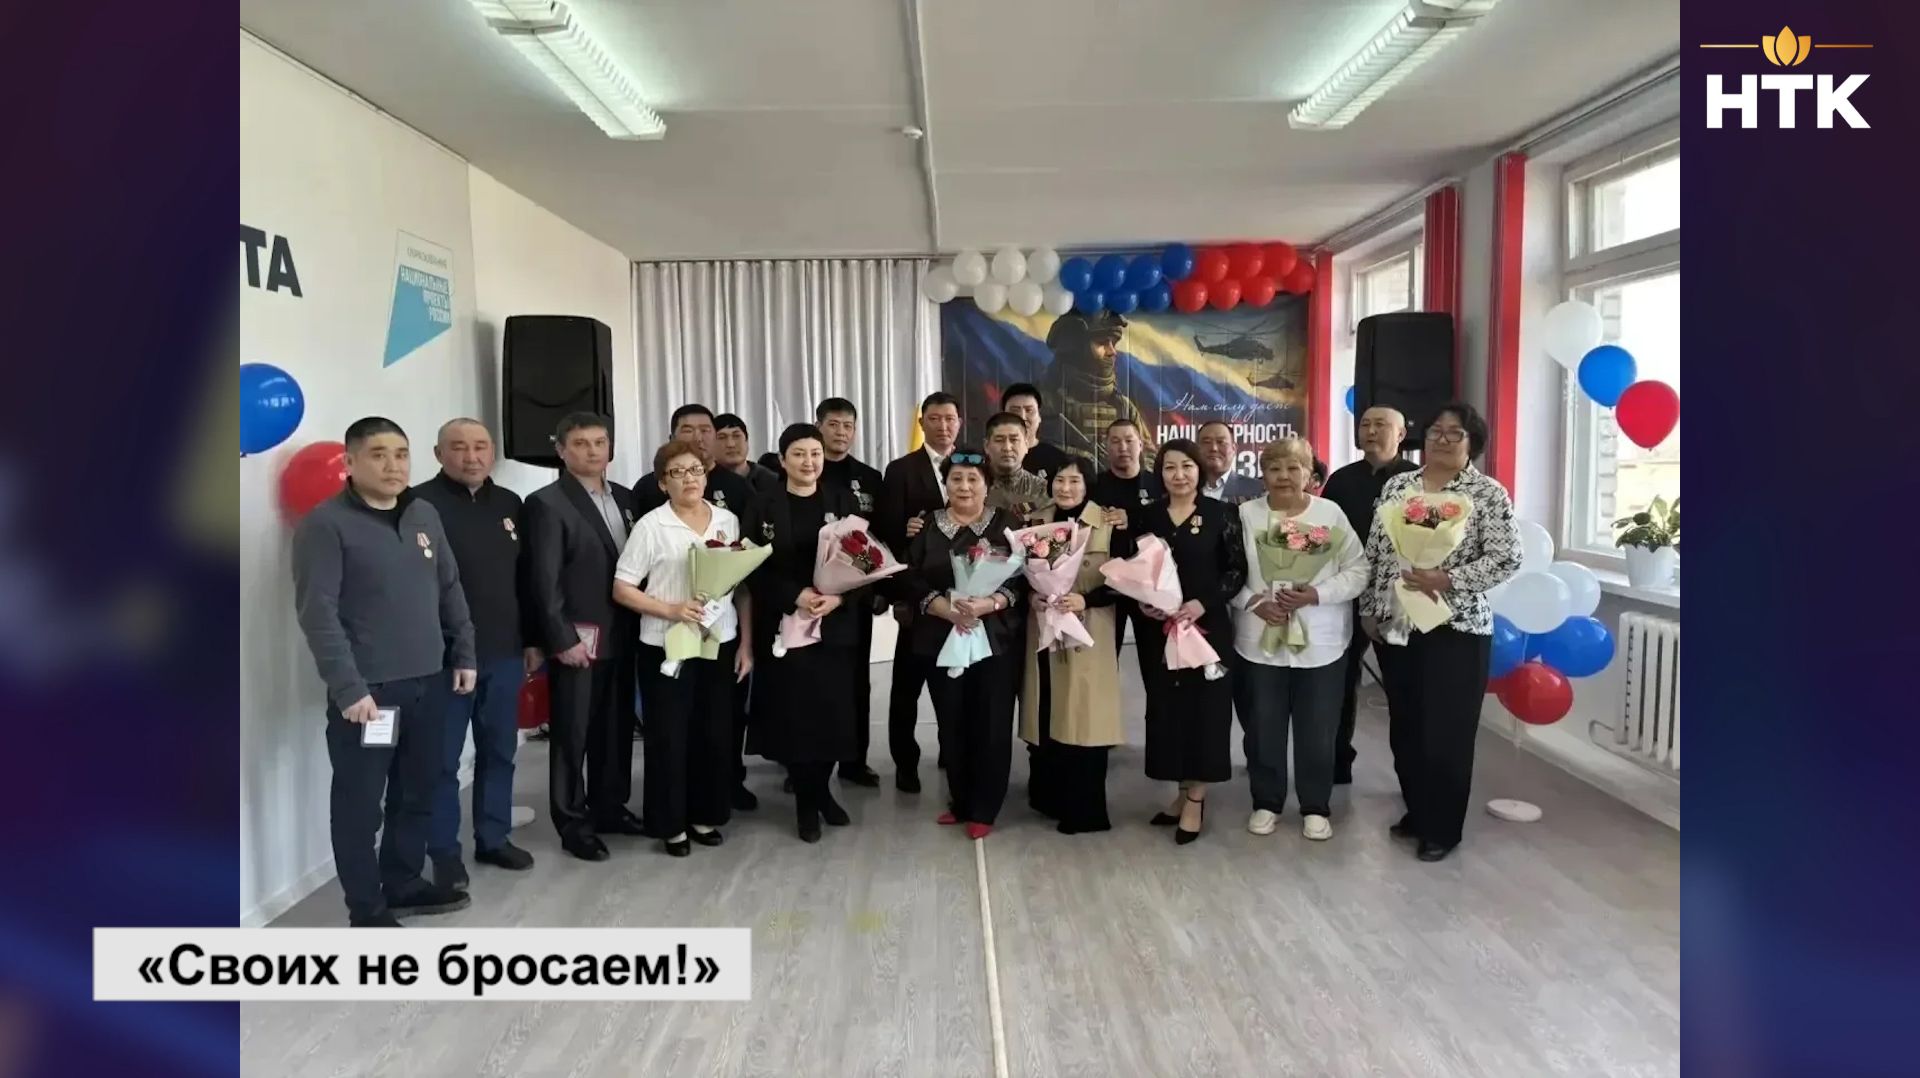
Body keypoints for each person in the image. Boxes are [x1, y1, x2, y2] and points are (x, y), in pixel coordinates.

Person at [291, 416, 474, 926]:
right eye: (378, 454)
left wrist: (464, 652)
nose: (393, 465)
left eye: (401, 453)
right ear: (350, 463)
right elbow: (318, 613)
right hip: (371, 696)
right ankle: (366, 908)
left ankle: (403, 882)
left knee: (418, 792)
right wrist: (349, 688)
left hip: (430, 684)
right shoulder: (325, 524)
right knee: (361, 805)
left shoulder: (423, 514)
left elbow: (449, 587)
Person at [1359, 401, 1521, 863]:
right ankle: (1418, 810)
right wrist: (1370, 609)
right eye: (1435, 430)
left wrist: (1447, 579)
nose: (1442, 439)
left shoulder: (1486, 493)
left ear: (1473, 442)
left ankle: (1443, 828)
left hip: (1457, 626)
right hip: (1399, 623)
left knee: (1446, 731)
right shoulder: (1399, 485)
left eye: (1455, 433)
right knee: (1407, 726)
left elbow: (1507, 558)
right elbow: (1377, 551)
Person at [410, 419, 538, 892]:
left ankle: (494, 837)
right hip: (443, 659)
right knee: (442, 762)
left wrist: (531, 639)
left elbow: (526, 579)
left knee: (500, 750)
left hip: (504, 651)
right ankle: (444, 853)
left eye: (481, 446)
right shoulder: (417, 505)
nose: (472, 456)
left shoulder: (509, 504)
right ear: (438, 453)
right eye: (459, 447)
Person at [611, 439, 753, 857]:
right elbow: (622, 588)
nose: (689, 479)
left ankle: (704, 814)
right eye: (677, 472)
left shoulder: (727, 520)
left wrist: (746, 644)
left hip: (719, 642)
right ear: (662, 482)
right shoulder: (651, 526)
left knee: (714, 733)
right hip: (666, 645)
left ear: (706, 476)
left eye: (696, 470)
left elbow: (742, 586)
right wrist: (671, 609)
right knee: (669, 737)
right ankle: (670, 824)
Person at [1231, 438, 1368, 841]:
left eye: (1294, 468)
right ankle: (1266, 801)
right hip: (1259, 640)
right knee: (1263, 727)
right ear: (1263, 475)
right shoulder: (1245, 516)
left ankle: (1315, 805)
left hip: (1320, 642)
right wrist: (1253, 602)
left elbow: (1359, 570)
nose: (1284, 476)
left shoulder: (1330, 514)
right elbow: (1226, 572)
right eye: (1274, 469)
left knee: (1318, 729)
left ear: (1310, 474)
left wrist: (1316, 594)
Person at [524, 412, 643, 862]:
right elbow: (543, 580)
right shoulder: (546, 503)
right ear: (561, 450)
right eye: (580, 443)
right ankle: (572, 822)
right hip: (577, 641)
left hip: (624, 633)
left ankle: (610, 807)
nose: (592, 451)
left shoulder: (626, 498)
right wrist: (560, 638)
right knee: (572, 735)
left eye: (599, 442)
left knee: (615, 729)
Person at [741, 424, 868, 843]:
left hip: (834, 624)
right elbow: (751, 567)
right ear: (782, 460)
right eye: (798, 454)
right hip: (785, 623)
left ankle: (822, 792)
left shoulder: (843, 501)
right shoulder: (762, 505)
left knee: (833, 715)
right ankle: (806, 804)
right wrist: (794, 595)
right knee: (796, 717)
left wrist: (839, 597)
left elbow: (866, 561)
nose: (808, 462)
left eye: (815, 453)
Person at [903, 448, 1029, 839]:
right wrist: (942, 607)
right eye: (956, 478)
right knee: (952, 721)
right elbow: (908, 577)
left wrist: (991, 603)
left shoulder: (1007, 524)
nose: (964, 486)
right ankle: (960, 801)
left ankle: (985, 808)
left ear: (987, 485)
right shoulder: (928, 526)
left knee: (991, 722)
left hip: (994, 641)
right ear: (946, 484)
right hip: (941, 639)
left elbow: (1024, 578)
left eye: (973, 479)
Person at [1135, 439, 1247, 845]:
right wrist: (1145, 602)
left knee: (1206, 713)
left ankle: (1197, 799)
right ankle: (1181, 791)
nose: (1179, 475)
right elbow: (1136, 568)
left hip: (1206, 629)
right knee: (1169, 712)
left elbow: (1236, 570)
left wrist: (1204, 603)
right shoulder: (1148, 516)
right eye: (1170, 467)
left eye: (1187, 466)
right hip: (1161, 630)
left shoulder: (1221, 514)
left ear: (1200, 471)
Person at [1018, 459, 1125, 835]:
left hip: (1088, 630)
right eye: (1059, 480)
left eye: (1074, 481)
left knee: (1083, 718)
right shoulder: (1036, 521)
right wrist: (1032, 596)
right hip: (1044, 627)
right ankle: (1048, 797)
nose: (1065, 488)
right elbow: (1020, 573)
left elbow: (1126, 579)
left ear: (1088, 485)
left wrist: (1087, 600)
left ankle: (1085, 811)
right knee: (1046, 709)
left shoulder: (1108, 523)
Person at [1319, 406, 1416, 783]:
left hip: (1399, 597)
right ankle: (1336, 762)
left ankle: (1411, 775)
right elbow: (1325, 535)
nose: (1371, 431)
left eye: (1381, 425)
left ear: (1401, 434)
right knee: (1341, 681)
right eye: (1365, 424)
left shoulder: (1416, 480)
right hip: (1348, 594)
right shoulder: (1342, 480)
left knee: (1403, 687)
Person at [875, 392, 962, 791]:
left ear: (959, 422)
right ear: (922, 422)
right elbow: (885, 533)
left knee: (952, 684)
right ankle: (905, 762)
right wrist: (905, 529)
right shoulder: (901, 470)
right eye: (935, 418)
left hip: (962, 595)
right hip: (916, 595)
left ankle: (951, 750)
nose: (943, 426)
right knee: (907, 687)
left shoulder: (971, 463)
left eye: (950, 418)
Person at [814, 397, 886, 788]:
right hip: (809, 598)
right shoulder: (806, 469)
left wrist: (880, 591)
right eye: (833, 424)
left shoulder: (869, 478)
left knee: (856, 680)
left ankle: (854, 761)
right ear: (819, 426)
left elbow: (882, 536)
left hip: (855, 596)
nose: (841, 432)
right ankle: (806, 763)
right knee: (812, 682)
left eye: (848, 426)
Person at [1090, 418, 1165, 681]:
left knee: (1155, 669)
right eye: (1115, 441)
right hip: (1108, 585)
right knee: (1103, 667)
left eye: (1129, 440)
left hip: (1150, 587)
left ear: (1141, 444)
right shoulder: (1095, 486)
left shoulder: (1158, 484)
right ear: (1106, 446)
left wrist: (1132, 517)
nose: (1123, 447)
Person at [1044, 310, 1154, 467]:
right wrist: (1079, 457)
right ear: (1076, 349)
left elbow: (1150, 458)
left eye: (1113, 343)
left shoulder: (1122, 406)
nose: (1112, 351)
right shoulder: (1043, 402)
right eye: (1102, 343)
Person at [633, 404, 756, 518]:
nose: (698, 438)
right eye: (688, 431)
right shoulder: (647, 488)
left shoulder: (739, 487)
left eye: (705, 430)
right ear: (672, 439)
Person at [1000, 382, 1074, 484]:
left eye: (1029, 410)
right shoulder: (990, 458)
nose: (1022, 417)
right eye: (1015, 411)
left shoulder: (1058, 460)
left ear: (1039, 417)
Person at [983, 412, 1050, 517]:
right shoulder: (972, 485)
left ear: (1026, 445)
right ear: (986, 446)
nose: (1007, 448)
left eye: (1014, 440)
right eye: (999, 440)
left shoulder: (1041, 489)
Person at [713, 413, 782, 497]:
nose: (731, 444)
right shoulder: (704, 481)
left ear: (747, 441)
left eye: (736, 436)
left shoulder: (772, 482)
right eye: (722, 437)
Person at [1197, 421, 1264, 504]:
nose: (1214, 448)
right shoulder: (1186, 487)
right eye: (1207, 442)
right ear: (1197, 448)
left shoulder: (1256, 489)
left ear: (1234, 448)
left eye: (1221, 442)